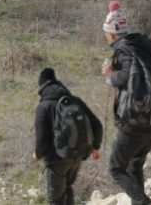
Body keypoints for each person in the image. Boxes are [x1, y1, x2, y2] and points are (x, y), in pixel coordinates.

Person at [100, 1, 151, 205]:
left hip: (135, 119)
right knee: (134, 165)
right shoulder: (143, 48)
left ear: (111, 34)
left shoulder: (125, 50)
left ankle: (143, 201)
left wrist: (110, 75)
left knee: (116, 168)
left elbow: (128, 77)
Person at [34, 68, 103, 205]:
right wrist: (95, 147)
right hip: (77, 155)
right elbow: (97, 125)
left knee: (55, 199)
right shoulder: (74, 100)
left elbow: (41, 137)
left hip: (56, 159)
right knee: (67, 189)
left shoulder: (44, 106)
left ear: (41, 85)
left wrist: (38, 154)